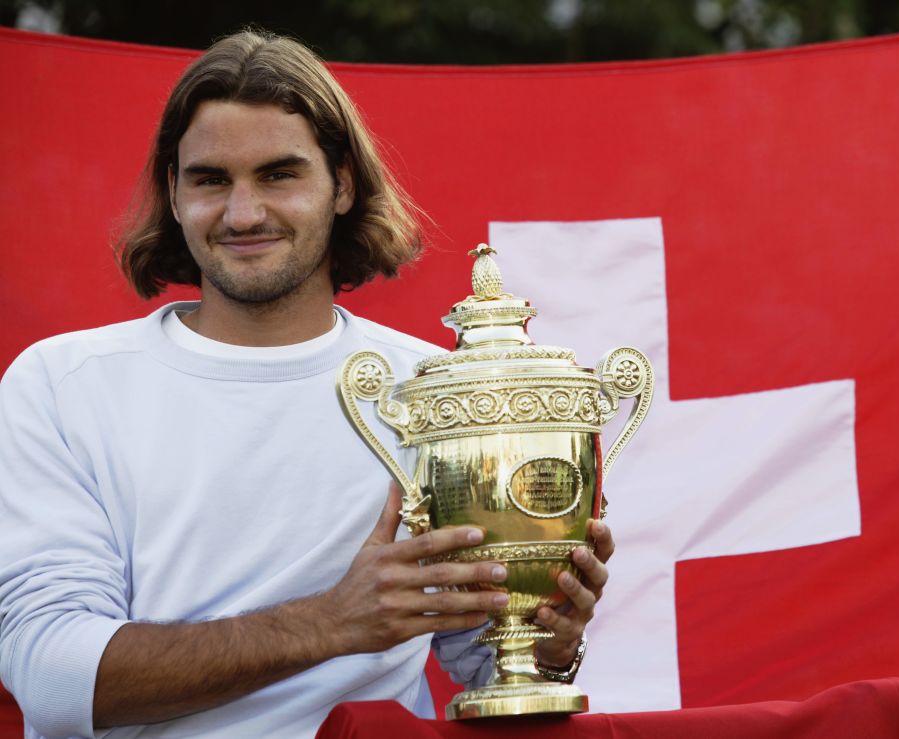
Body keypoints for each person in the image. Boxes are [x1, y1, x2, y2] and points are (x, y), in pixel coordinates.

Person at [0, 29, 612, 738]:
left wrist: (550, 636)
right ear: (173, 191)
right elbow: (52, 677)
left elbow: (482, 663)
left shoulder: (434, 391)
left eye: (278, 174)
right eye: (210, 180)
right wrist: (332, 621)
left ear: (343, 183)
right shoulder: (62, 384)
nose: (243, 213)